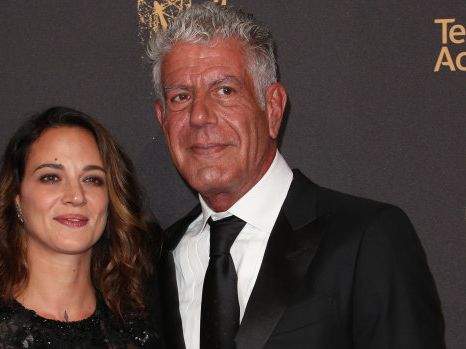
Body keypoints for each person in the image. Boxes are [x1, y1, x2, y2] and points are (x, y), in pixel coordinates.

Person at [147, 3, 443, 349]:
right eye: (180, 97)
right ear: (162, 119)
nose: (199, 116)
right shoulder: (156, 258)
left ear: (272, 108)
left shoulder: (367, 240)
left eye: (224, 91)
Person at [0, 106, 162, 348]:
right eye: (51, 177)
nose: (76, 196)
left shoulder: (142, 337)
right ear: (16, 199)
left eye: (92, 179)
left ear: (111, 200)